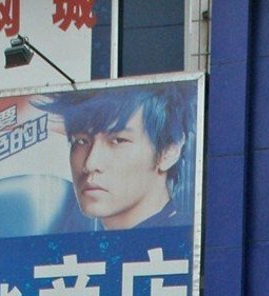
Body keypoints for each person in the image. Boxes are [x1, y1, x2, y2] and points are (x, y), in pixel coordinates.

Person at [58, 83, 195, 229]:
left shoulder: (189, 241)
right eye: (81, 141)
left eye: (118, 141)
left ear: (169, 151)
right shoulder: (75, 243)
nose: (90, 164)